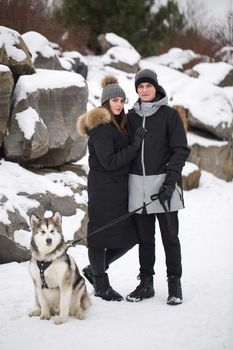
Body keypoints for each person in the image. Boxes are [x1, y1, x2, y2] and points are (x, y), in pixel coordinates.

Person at [77, 75, 146, 302]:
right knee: (99, 237)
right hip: (103, 189)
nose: (119, 104)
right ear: (106, 102)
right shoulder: (102, 127)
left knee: (131, 236)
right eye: (115, 100)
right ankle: (101, 283)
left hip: (119, 189)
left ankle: (94, 270)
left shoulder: (119, 124)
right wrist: (135, 147)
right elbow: (109, 161)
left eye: (122, 100)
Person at [126, 69, 190, 305]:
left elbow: (180, 150)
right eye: (140, 86)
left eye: (148, 86)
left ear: (156, 88)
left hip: (165, 187)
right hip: (137, 187)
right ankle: (146, 283)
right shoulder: (130, 117)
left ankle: (174, 283)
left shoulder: (169, 115)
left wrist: (170, 182)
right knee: (145, 239)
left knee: (170, 237)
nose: (144, 90)